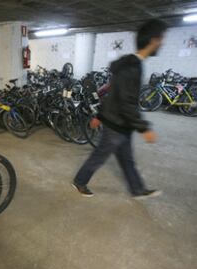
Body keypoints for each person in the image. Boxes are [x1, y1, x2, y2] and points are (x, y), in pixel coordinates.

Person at [72, 19, 168, 198]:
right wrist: (143, 128)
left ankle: (137, 189)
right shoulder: (132, 67)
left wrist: (99, 116)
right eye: (161, 39)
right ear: (153, 40)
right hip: (116, 125)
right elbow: (126, 102)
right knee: (99, 156)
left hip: (121, 124)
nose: (162, 43)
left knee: (127, 160)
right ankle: (79, 181)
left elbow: (112, 94)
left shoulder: (129, 64)